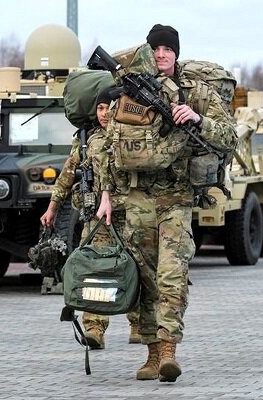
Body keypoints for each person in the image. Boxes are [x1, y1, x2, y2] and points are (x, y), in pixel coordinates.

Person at [96, 24, 237, 382]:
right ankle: (152, 353)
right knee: (143, 278)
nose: (161, 55)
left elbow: (229, 136)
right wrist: (106, 195)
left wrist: (198, 119)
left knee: (172, 273)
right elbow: (110, 147)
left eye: (167, 50)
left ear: (176, 53)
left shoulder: (196, 92)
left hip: (175, 196)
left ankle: (170, 350)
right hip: (136, 197)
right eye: (155, 49)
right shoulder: (129, 91)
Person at [40, 87, 139, 350]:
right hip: (97, 219)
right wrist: (52, 207)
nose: (105, 113)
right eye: (100, 108)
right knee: (93, 269)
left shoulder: (133, 135)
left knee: (138, 267)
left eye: (110, 107)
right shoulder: (87, 141)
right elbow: (67, 175)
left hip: (131, 215)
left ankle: (140, 324)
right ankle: (94, 327)